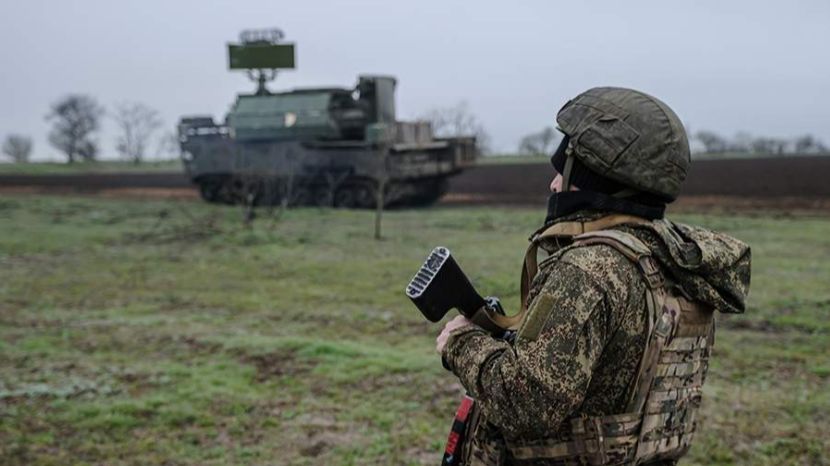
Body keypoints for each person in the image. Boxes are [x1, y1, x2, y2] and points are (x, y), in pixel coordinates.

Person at [436, 87, 751, 466]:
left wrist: (461, 342)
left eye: (562, 168)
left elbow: (527, 404)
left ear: (591, 175)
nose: (554, 183)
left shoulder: (589, 269)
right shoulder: (676, 260)